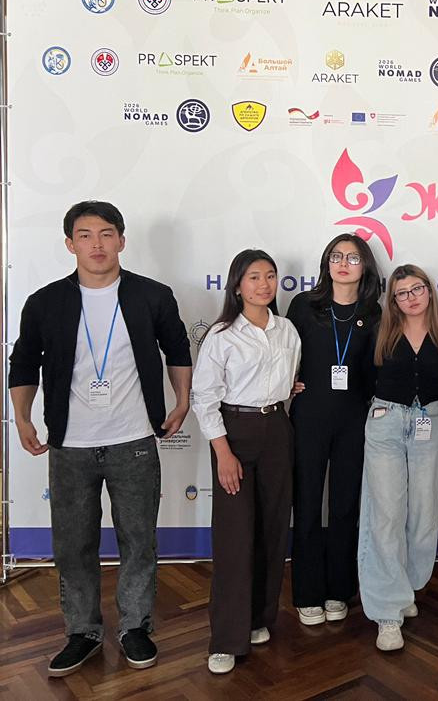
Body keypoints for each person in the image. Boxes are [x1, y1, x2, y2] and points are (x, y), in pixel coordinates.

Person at [8, 201, 192, 677]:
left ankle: (135, 627)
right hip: (69, 445)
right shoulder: (45, 302)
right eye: (85, 235)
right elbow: (24, 362)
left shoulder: (152, 296)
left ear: (121, 241)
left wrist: (182, 401)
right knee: (73, 545)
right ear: (70, 244)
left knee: (138, 541)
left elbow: (177, 348)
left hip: (134, 440)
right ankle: (83, 632)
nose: (97, 244)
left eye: (106, 234)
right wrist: (22, 418)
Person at [191, 249, 301, 675]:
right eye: (254, 277)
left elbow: (287, 380)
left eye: (270, 276)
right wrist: (223, 452)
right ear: (237, 286)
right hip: (234, 432)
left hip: (277, 428)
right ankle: (226, 639)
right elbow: (205, 397)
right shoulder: (222, 335)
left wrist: (290, 389)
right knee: (235, 536)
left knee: (272, 529)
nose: (264, 284)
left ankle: (258, 619)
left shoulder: (286, 330)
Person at [358, 264, 438, 651]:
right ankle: (387, 612)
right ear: (393, 301)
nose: (411, 297)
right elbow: (363, 380)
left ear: (429, 291)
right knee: (385, 514)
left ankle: (406, 586)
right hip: (385, 422)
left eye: (417, 289)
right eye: (402, 293)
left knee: (423, 513)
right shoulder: (379, 333)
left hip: (430, 422)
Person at [287, 234, 381, 626]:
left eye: (352, 258)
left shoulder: (373, 312)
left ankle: (339, 589)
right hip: (309, 416)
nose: (343, 263)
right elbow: (283, 353)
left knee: (345, 506)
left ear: (365, 266)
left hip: (354, 420)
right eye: (336, 256)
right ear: (327, 263)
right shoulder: (304, 305)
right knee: (307, 504)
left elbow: (377, 369)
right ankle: (307, 592)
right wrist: (284, 383)